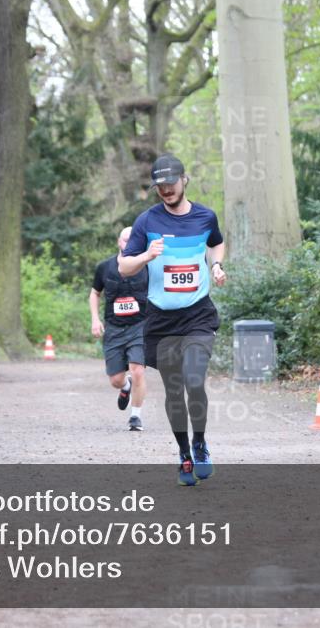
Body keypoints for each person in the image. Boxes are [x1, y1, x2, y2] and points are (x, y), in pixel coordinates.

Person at [118, 154, 227, 486]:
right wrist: (146, 256)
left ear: (184, 180)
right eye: (160, 186)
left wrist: (216, 266)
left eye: (171, 183)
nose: (166, 190)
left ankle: (200, 444)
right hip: (161, 321)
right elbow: (124, 267)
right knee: (175, 389)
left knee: (194, 381)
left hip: (197, 315)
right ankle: (184, 455)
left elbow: (217, 243)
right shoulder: (146, 222)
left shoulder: (205, 216)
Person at [90, 227, 149, 431]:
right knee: (115, 379)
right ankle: (125, 386)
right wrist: (95, 320)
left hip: (140, 327)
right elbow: (94, 293)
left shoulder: (148, 266)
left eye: (133, 240)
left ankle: (135, 417)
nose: (129, 244)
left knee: (138, 371)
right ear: (119, 242)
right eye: (126, 240)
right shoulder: (105, 267)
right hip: (114, 328)